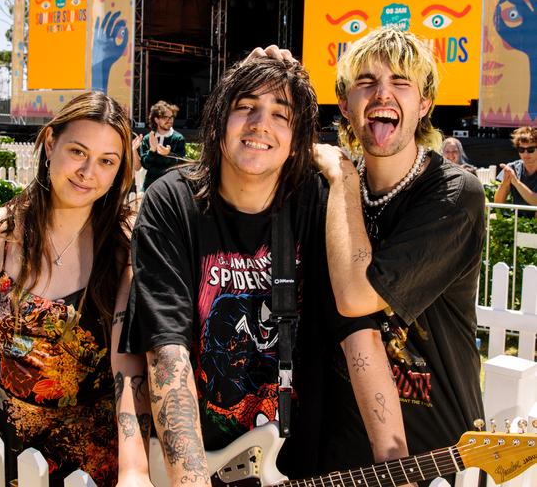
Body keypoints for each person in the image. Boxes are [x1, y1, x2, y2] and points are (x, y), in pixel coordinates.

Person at [121, 48, 409, 486]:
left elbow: (358, 337)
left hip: (294, 465)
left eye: (281, 114)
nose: (260, 124)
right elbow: (167, 353)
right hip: (197, 463)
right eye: (245, 107)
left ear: (299, 138)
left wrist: (396, 466)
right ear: (218, 119)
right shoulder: (171, 201)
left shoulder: (313, 203)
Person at [0, 92, 152, 486]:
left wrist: (136, 468)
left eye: (106, 161)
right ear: (49, 144)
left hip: (90, 461)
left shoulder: (124, 246)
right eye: (77, 151)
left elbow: (129, 366)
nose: (88, 171)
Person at [315, 27, 486, 486]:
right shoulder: (327, 192)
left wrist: (344, 178)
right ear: (345, 102)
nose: (382, 94)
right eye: (366, 82)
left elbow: (356, 296)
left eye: (401, 82)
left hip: (438, 462)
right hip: (342, 461)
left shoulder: (453, 195)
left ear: (425, 103)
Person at [139, 100, 186, 190]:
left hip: (170, 188)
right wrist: (152, 150)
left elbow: (181, 164)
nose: (170, 120)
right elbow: (145, 165)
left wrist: (168, 155)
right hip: (149, 187)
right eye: (165, 117)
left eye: (171, 117)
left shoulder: (178, 138)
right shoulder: (148, 138)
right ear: (156, 119)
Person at [494, 126, 537, 217]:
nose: (525, 154)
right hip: (517, 220)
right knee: (492, 217)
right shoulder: (512, 167)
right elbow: (498, 204)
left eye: (530, 150)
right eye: (521, 150)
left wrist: (516, 183)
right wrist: (505, 184)